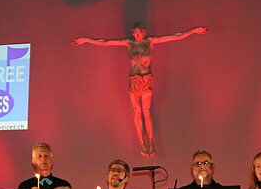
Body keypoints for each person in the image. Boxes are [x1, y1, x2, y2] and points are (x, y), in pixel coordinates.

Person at [72, 22, 209, 156]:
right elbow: (105, 42)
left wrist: (194, 30)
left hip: (146, 79)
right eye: (135, 33)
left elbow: (174, 36)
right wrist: (86, 40)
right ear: (133, 33)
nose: (137, 35)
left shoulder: (150, 42)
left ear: (144, 32)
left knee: (146, 112)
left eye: (139, 32)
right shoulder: (129, 43)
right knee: (137, 111)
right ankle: (142, 143)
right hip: (135, 80)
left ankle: (150, 142)